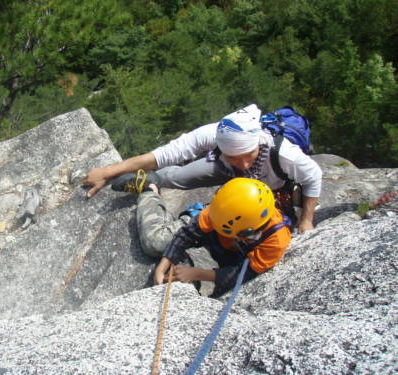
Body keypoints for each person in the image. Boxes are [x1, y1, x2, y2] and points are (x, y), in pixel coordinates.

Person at [83, 104, 322, 233]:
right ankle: (149, 181)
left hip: (269, 188)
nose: (245, 163)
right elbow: (165, 154)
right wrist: (108, 170)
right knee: (175, 175)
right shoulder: (216, 134)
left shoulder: (282, 152)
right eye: (235, 156)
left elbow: (313, 176)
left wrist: (306, 220)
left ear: (257, 143)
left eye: (249, 156)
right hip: (224, 170)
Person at [110, 173, 291, 297]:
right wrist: (164, 263)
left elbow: (245, 274)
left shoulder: (276, 240)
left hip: (232, 255)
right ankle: (150, 190)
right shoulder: (222, 210)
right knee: (154, 242)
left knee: (223, 291)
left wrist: (197, 274)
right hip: (212, 237)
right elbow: (189, 233)